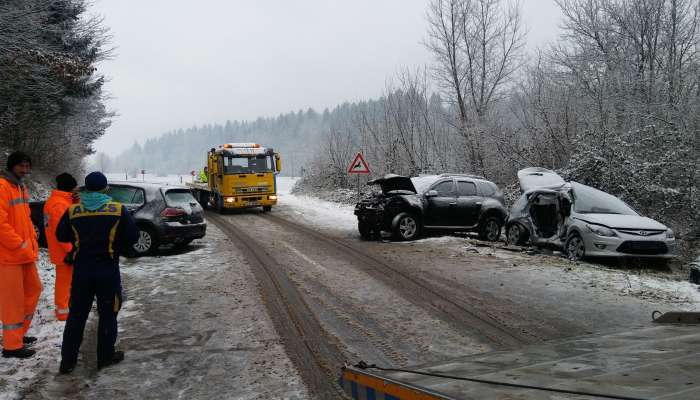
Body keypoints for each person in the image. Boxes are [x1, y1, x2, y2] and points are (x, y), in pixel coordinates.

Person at [56, 172, 138, 373]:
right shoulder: (118, 210)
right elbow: (133, 236)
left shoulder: (73, 210)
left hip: (82, 271)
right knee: (108, 314)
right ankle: (105, 357)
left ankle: (67, 362)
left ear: (86, 189)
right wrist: (116, 245)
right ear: (105, 188)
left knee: (76, 316)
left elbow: (61, 234)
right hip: (107, 270)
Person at [0, 151, 41, 359]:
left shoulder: (20, 187)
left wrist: (31, 241)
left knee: (34, 290)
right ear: (12, 166)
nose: (25, 170)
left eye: (27, 166)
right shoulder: (2, 186)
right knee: (12, 301)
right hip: (8, 257)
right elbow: (1, 224)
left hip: (24, 254)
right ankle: (11, 346)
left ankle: (18, 333)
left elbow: (25, 219)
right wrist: (19, 245)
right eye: (21, 166)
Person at [44, 173, 79, 321]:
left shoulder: (58, 201)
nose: (76, 190)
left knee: (66, 281)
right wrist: (71, 250)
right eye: (74, 188)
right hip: (63, 251)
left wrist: (75, 202)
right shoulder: (59, 204)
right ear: (69, 187)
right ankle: (63, 312)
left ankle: (65, 307)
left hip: (61, 250)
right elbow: (60, 232)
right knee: (64, 283)